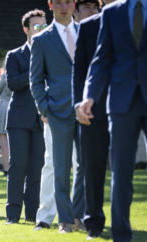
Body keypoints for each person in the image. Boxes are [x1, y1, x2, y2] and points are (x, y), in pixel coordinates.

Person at [80, 0, 147, 240]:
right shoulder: (111, 13)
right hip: (120, 101)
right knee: (121, 171)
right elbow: (101, 58)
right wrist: (89, 96)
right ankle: (120, 235)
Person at [30, 0, 83, 233]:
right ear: (51, 4)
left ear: (74, 4)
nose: (64, 7)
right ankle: (64, 220)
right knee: (60, 168)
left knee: (85, 166)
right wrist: (44, 109)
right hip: (57, 112)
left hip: (87, 110)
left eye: (68, 1)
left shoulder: (88, 32)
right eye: (58, 2)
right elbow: (36, 80)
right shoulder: (41, 39)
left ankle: (80, 216)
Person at [72, 0, 114, 240]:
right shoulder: (88, 27)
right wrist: (79, 103)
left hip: (128, 103)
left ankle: (121, 221)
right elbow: (79, 70)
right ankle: (94, 225)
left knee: (122, 167)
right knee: (92, 168)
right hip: (92, 108)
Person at [3, 10, 46, 225]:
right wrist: (36, 69)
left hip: (43, 119)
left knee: (37, 169)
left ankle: (32, 215)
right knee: (18, 166)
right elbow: (13, 83)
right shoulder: (14, 55)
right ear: (26, 29)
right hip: (19, 119)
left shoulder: (51, 52)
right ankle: (12, 215)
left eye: (43, 25)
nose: (40, 29)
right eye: (36, 26)